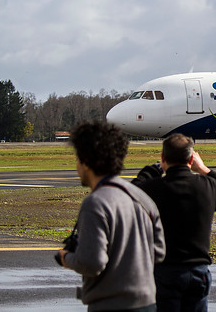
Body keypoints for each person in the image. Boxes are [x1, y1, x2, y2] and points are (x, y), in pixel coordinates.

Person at [57, 120, 166, 312]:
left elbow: (92, 263)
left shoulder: (96, 203)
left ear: (86, 161)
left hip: (110, 304)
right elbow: (158, 252)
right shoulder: (142, 197)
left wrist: (66, 258)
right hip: (147, 302)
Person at [133, 133, 216, 312]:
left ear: (163, 158)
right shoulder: (207, 186)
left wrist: (150, 172)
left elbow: (128, 196)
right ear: (191, 160)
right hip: (198, 270)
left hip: (164, 271)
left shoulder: (153, 189)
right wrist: (203, 168)